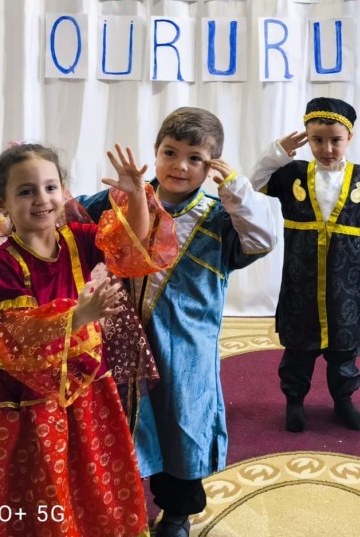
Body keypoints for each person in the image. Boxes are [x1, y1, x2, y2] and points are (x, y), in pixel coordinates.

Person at [79, 107, 276, 537]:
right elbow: (69, 217)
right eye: (170, 152)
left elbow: (261, 240)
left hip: (186, 348)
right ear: (156, 152)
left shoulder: (219, 216)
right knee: (119, 422)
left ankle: (176, 514)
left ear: (211, 166)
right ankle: (119, 507)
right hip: (119, 340)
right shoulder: (123, 198)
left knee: (181, 427)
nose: (180, 166)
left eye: (195, 158)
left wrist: (237, 189)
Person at [0, 142, 175, 537]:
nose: (41, 199)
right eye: (26, 191)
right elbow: (17, 331)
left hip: (86, 381)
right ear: (2, 203)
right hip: (30, 394)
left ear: (63, 191)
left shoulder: (78, 238)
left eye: (50, 187)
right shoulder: (3, 263)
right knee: (41, 470)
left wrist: (135, 195)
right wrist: (79, 316)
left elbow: (130, 244)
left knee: (89, 461)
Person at [250, 97, 360, 433]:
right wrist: (277, 152)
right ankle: (294, 401)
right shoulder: (292, 176)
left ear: (350, 138)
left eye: (335, 140)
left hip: (347, 291)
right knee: (298, 352)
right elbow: (255, 182)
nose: (327, 148)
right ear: (307, 138)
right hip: (301, 287)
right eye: (317, 140)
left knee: (345, 353)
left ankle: (344, 400)